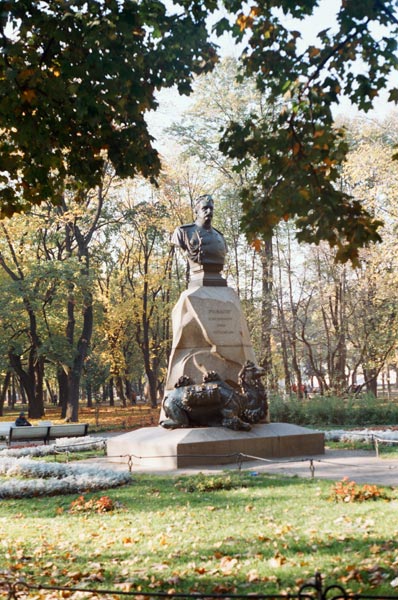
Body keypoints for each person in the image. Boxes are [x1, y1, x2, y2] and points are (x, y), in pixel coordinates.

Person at [171, 195, 227, 283]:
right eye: (205, 208)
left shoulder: (220, 236)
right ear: (196, 211)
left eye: (211, 209)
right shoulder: (183, 232)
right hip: (198, 279)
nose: (209, 211)